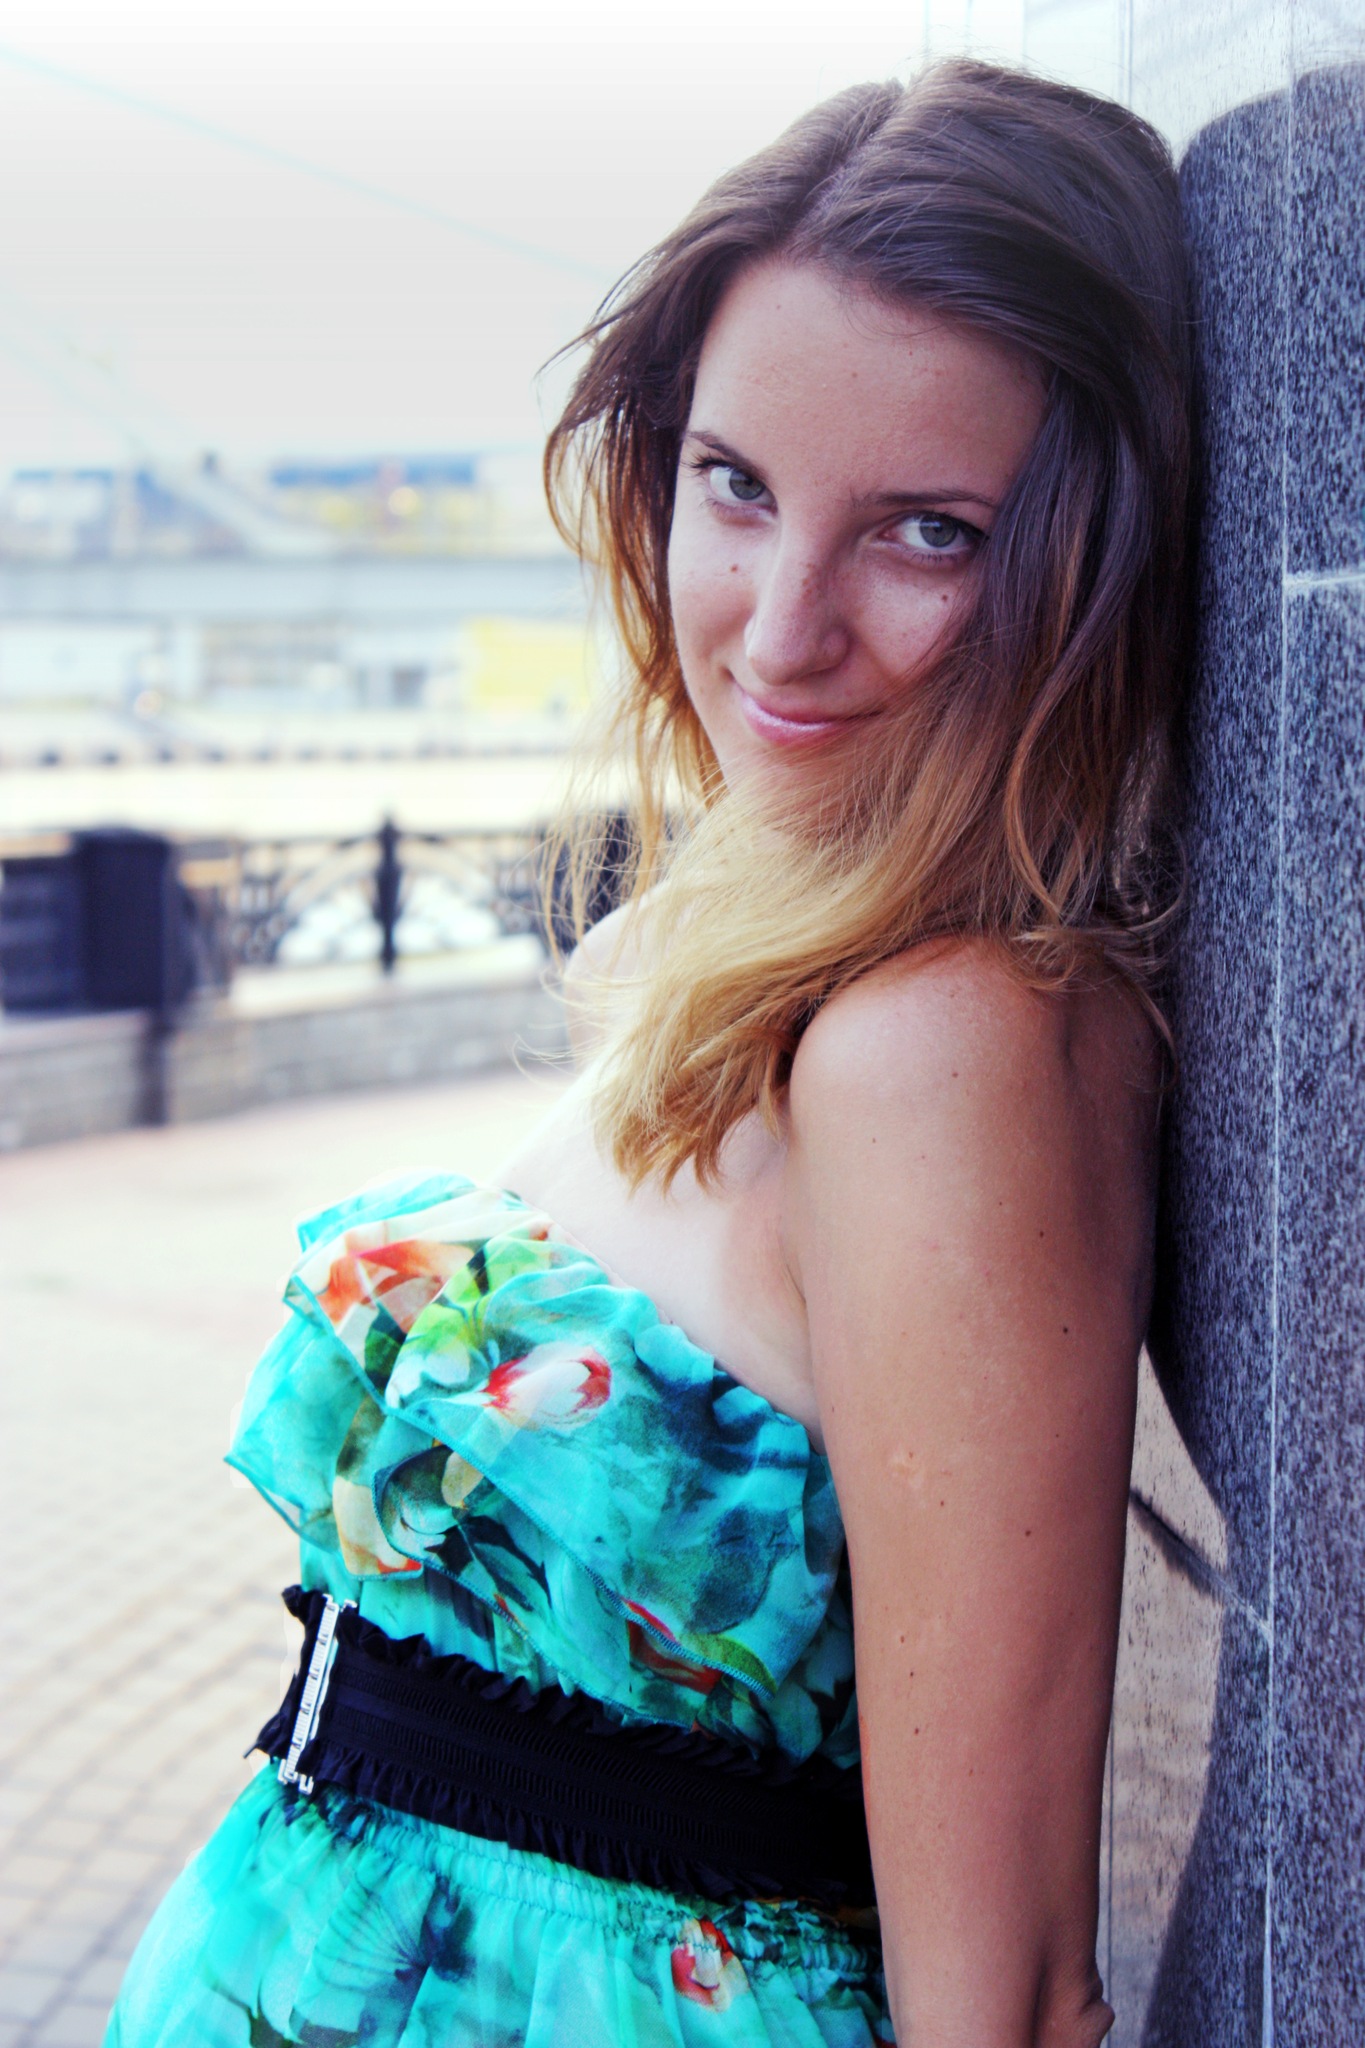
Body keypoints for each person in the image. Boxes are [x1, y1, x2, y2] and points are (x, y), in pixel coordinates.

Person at [105, 57, 1192, 2048]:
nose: (777, 632)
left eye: (923, 532)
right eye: (735, 486)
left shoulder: (944, 1048)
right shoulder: (773, 942)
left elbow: (1007, 1998)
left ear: (1084, 568)